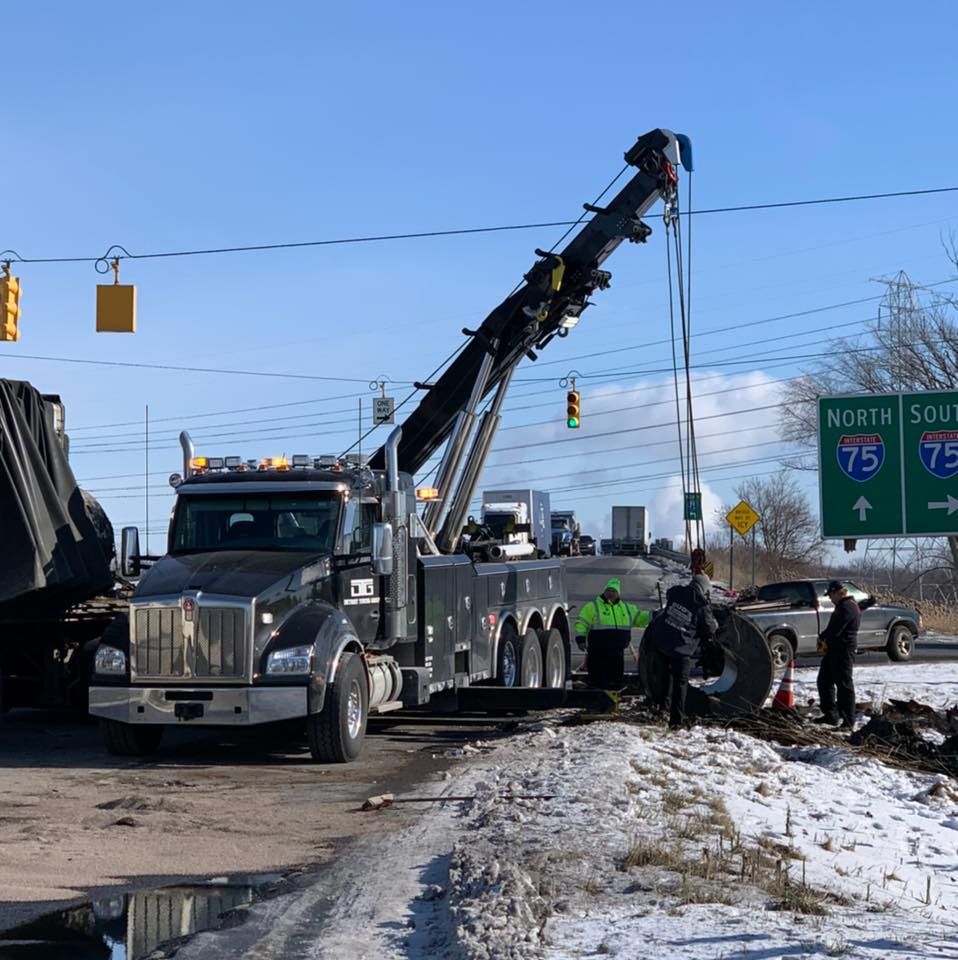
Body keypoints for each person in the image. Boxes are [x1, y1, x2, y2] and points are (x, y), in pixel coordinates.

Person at [648, 572, 717, 730]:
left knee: (666, 677)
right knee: (680, 684)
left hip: (662, 641)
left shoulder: (676, 591)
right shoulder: (702, 605)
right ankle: (676, 721)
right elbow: (709, 628)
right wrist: (714, 624)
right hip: (681, 648)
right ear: (704, 588)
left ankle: (662, 709)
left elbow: (670, 595)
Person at [574, 578, 651, 688]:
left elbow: (639, 617)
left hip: (617, 653)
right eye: (608, 590)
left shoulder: (626, 609)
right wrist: (580, 639)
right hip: (597, 653)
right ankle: (598, 702)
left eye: (614, 591)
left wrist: (655, 615)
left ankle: (611, 703)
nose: (610, 593)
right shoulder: (593, 606)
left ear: (618, 594)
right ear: (604, 591)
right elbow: (581, 623)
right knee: (598, 682)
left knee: (615, 682)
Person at [814, 580, 861, 730]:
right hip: (834, 650)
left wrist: (824, 637)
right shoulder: (845, 606)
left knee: (844, 684)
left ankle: (848, 721)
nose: (829, 598)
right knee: (824, 681)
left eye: (830, 595)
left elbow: (836, 629)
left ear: (837, 593)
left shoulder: (847, 608)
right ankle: (831, 714)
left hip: (843, 650)